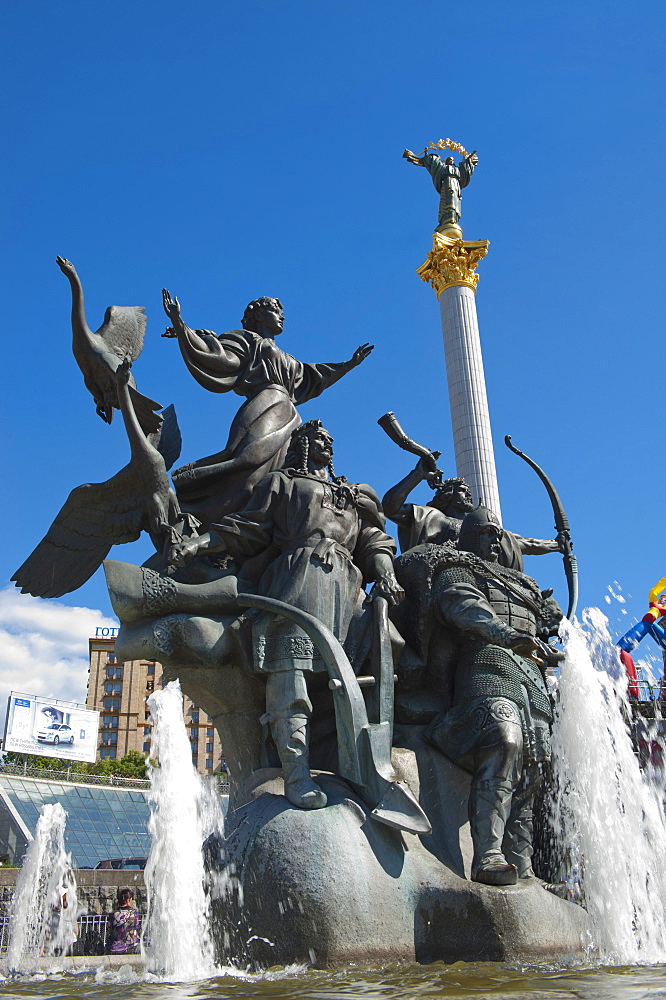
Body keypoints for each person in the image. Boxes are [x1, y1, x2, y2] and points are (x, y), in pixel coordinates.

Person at [170, 420, 403, 810]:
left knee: (365, 672)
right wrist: (197, 546)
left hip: (347, 589)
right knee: (289, 674)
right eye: (318, 438)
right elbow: (248, 528)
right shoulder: (282, 484)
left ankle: (364, 769)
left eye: (330, 438)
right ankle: (296, 774)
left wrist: (386, 573)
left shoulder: (357, 495)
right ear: (303, 446)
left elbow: (373, 540)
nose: (328, 442)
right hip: (297, 579)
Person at [417, 507, 562, 886]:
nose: (494, 540)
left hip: (532, 676)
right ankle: (488, 855)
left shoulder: (524, 584)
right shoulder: (458, 568)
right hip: (485, 664)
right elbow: (462, 606)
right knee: (503, 738)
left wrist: (550, 618)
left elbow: (547, 626)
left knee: (535, 765)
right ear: (467, 536)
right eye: (484, 533)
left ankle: (524, 865)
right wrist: (507, 635)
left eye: (497, 534)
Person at [161, 291, 374, 527]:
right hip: (264, 404)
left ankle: (262, 529)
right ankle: (207, 520)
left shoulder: (288, 357)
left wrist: (348, 365)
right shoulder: (245, 339)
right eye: (275, 311)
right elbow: (222, 360)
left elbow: (313, 378)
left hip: (289, 415)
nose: (281, 317)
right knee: (247, 468)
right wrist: (181, 325)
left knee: (278, 478)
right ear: (259, 315)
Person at [382, 455, 564, 571]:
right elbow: (391, 508)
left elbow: (525, 543)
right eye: (462, 490)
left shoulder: (488, 529)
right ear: (447, 494)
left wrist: (556, 545)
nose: (468, 494)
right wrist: (417, 475)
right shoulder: (436, 519)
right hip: (446, 582)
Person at [403, 147, 478, 233]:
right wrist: (429, 157)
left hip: (456, 186)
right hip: (447, 184)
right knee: (448, 200)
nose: (451, 160)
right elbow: (435, 164)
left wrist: (468, 160)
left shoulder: (457, 170)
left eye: (452, 160)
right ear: (446, 161)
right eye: (450, 159)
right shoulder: (443, 168)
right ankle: (446, 219)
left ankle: (453, 218)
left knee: (455, 202)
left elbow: (465, 170)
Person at [107, 888, 140, 955]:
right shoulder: (134, 913)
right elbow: (136, 926)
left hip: (116, 946)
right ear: (128, 900)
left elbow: (110, 929)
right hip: (132, 946)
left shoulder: (113, 914)